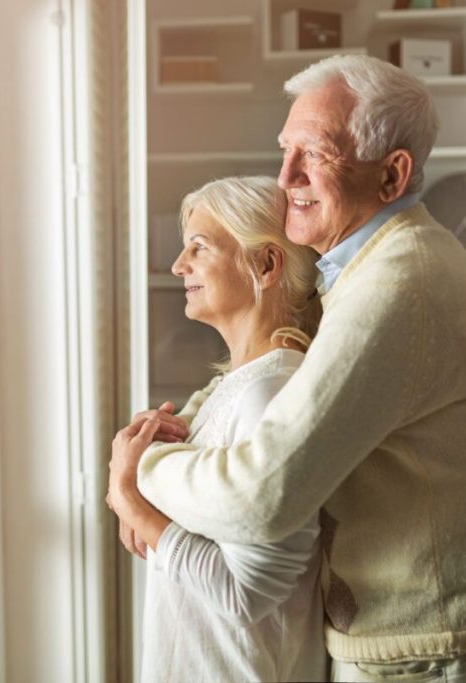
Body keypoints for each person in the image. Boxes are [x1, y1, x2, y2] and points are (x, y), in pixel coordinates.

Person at [108, 55, 466, 683]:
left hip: (441, 656)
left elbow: (262, 496)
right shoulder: (374, 268)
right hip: (428, 646)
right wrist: (181, 423)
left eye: (313, 153)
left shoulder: (399, 284)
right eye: (284, 149)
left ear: (391, 175)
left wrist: (139, 477)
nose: (286, 176)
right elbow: (268, 365)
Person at [106, 176, 328, 682]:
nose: (178, 265)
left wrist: (133, 503)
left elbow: (243, 592)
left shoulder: (272, 396)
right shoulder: (237, 387)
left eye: (198, 248)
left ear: (266, 265)